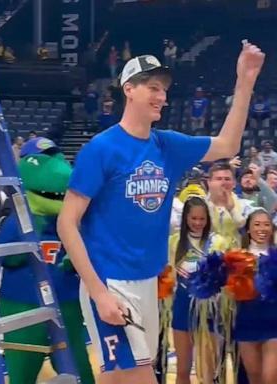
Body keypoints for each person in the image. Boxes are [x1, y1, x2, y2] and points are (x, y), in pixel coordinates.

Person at [57, 44, 264, 384]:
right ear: (129, 89)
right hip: (110, 281)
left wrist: (244, 82)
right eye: (153, 88)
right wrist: (98, 292)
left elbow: (228, 145)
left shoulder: (167, 145)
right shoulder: (101, 148)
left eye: (164, 91)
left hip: (147, 283)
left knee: (116, 378)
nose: (161, 97)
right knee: (138, 376)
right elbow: (67, 223)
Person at [169, 196, 227, 384]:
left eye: (202, 219)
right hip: (181, 307)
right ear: (185, 218)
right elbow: (167, 274)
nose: (198, 223)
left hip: (210, 310)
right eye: (194, 218)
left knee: (207, 372)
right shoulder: (175, 241)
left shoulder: (218, 242)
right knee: (183, 369)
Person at [234, 209, 277, 384]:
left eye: (267, 224)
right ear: (249, 229)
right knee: (255, 378)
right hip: (247, 323)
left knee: (270, 377)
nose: (262, 229)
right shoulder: (236, 257)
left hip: (274, 323)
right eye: (257, 224)